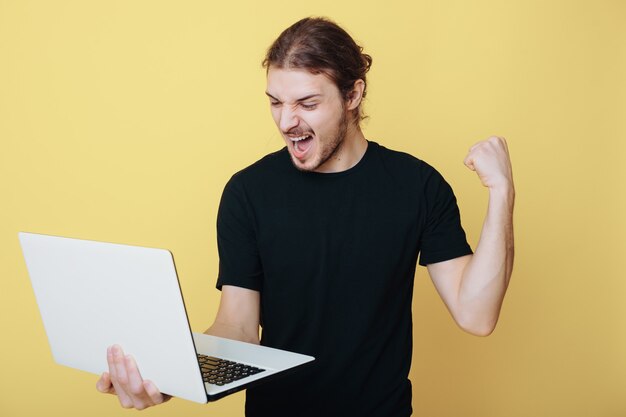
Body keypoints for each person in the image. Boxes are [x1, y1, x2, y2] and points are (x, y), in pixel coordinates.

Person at [96, 17, 515, 416]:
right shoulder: (248, 193)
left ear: (353, 95)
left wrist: (501, 193)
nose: (286, 121)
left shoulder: (418, 186)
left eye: (307, 103)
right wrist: (170, 374)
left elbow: (476, 315)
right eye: (276, 102)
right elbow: (239, 329)